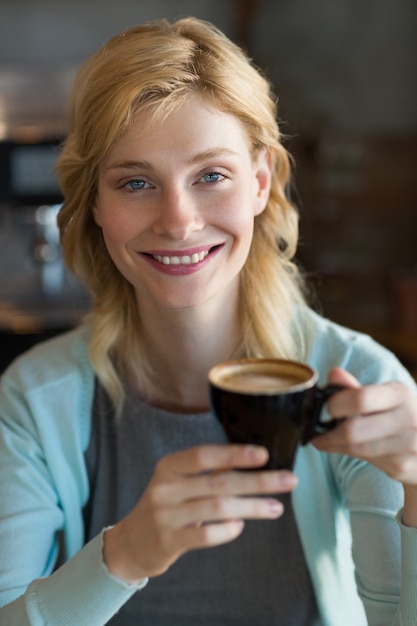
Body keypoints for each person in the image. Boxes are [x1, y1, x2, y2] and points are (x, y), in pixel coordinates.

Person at [0, 16, 417, 626]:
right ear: (92, 202)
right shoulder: (33, 403)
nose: (178, 220)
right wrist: (124, 555)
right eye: (136, 182)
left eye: (211, 176)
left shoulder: (360, 379)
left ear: (260, 180)